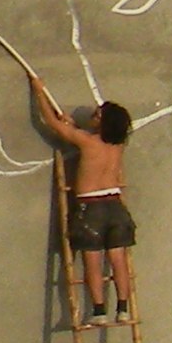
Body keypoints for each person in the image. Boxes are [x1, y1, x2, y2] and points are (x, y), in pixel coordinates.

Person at [29, 77, 141, 323]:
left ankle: (99, 311)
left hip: (91, 208)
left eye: (97, 115)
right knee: (118, 260)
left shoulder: (87, 142)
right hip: (115, 206)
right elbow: (88, 134)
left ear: (103, 122)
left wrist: (39, 92)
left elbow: (51, 123)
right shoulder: (118, 144)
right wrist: (74, 126)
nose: (93, 115)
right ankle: (123, 308)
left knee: (92, 262)